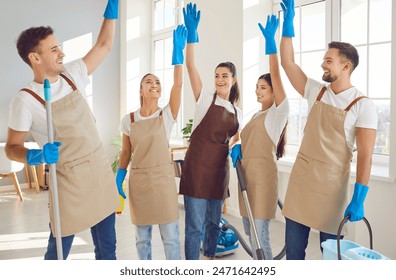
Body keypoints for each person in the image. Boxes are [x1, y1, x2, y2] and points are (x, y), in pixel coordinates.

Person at [5, 0, 121, 260]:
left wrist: (111, 11)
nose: (62, 54)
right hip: (67, 181)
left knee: (107, 249)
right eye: (54, 49)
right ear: (35, 58)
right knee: (58, 254)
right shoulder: (25, 99)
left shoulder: (73, 75)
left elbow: (104, 45)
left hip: (98, 172)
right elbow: (12, 148)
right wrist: (37, 156)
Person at [279, 0, 378, 259]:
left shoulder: (363, 105)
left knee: (331, 257)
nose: (323, 65)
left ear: (346, 66)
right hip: (301, 183)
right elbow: (287, 63)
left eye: (328, 61)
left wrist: (359, 197)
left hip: (331, 190)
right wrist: (288, 28)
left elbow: (366, 155)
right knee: (294, 253)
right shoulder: (316, 91)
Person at [115, 25, 187, 260]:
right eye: (149, 82)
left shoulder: (165, 116)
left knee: (171, 237)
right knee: (142, 238)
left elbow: (178, 85)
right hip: (140, 184)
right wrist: (119, 177)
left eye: (157, 82)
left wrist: (178, 54)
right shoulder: (130, 119)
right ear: (141, 90)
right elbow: (126, 151)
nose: (154, 84)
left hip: (163, 182)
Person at [179, 2, 243, 260]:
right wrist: (193, 35)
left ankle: (210, 261)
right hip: (197, 169)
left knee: (214, 224)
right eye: (216, 75)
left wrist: (238, 145)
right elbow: (191, 67)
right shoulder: (206, 100)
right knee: (194, 227)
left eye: (224, 76)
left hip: (219, 172)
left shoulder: (238, 111)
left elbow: (236, 137)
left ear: (233, 79)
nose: (219, 79)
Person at [229, 15, 289, 260]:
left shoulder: (278, 114)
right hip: (245, 177)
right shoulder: (256, 115)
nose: (257, 91)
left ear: (275, 91)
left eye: (263, 87)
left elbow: (276, 73)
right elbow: (246, 140)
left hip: (262, 180)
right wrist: (238, 146)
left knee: (259, 233)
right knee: (247, 227)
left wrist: (271, 45)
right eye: (256, 87)